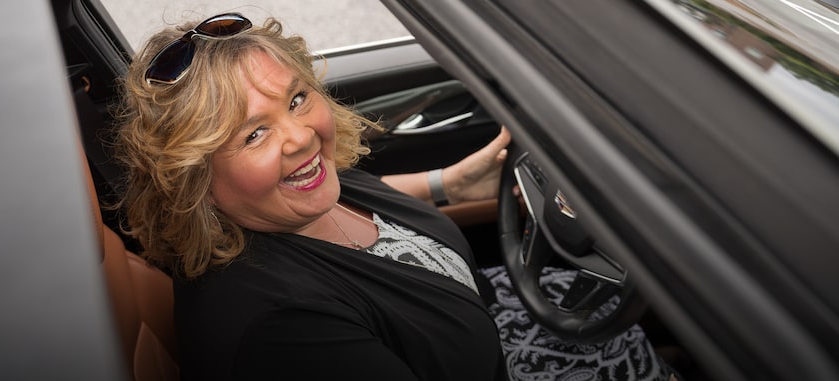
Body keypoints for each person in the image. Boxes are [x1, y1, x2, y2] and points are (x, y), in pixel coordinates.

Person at [113, 13, 677, 381]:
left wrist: (452, 183)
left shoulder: (304, 192)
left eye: (296, 99)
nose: (301, 137)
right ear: (195, 178)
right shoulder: (282, 333)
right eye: (254, 134)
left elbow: (370, 198)